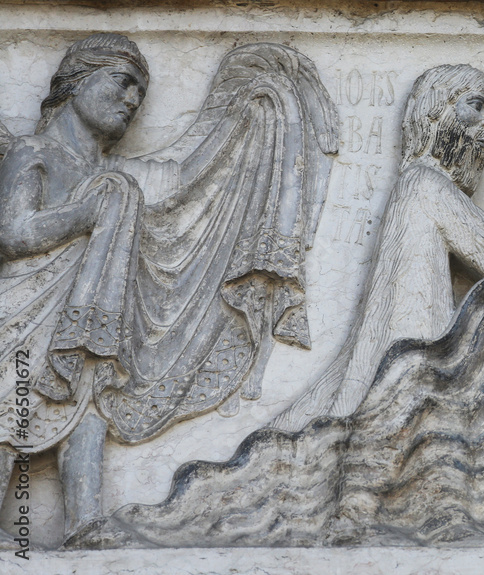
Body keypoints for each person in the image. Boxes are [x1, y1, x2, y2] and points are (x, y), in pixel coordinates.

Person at [0, 33, 335, 540]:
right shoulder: (34, 151)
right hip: (25, 314)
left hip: (85, 322)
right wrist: (85, 214)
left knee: (89, 404)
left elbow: (185, 178)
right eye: (122, 81)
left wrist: (257, 110)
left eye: (141, 91)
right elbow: (13, 231)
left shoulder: (113, 174)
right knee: (9, 413)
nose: (132, 100)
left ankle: (83, 524)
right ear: (75, 81)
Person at [273, 64, 484, 430]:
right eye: (476, 106)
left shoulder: (421, 184)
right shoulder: (426, 182)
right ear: (434, 111)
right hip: (413, 355)